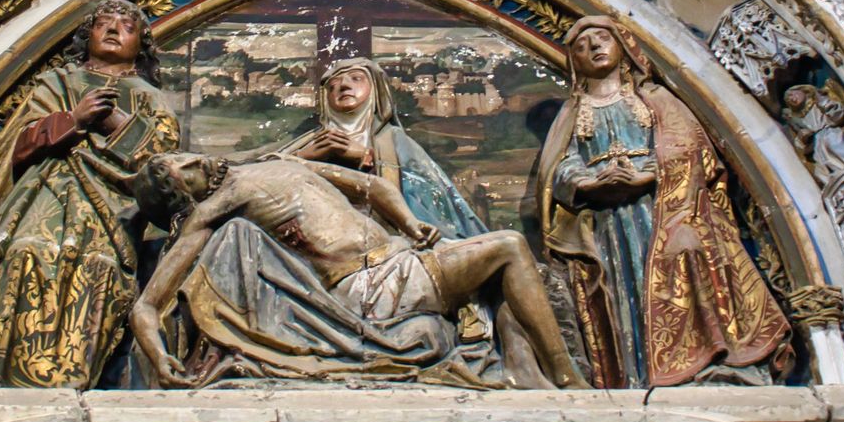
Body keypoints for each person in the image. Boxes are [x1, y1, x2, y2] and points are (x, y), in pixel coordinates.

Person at [128, 152, 587, 389]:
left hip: (401, 261)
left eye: (182, 155)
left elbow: (371, 186)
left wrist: (409, 221)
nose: (192, 162)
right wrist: (157, 355)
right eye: (180, 174)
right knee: (507, 248)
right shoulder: (211, 210)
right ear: (183, 198)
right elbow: (146, 306)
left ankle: (525, 371)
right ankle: (566, 377)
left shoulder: (277, 165)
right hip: (368, 288)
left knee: (526, 273)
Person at [0, 0, 178, 387]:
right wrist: (73, 120)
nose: (112, 30)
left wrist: (117, 124)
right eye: (103, 23)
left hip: (114, 210)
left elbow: (164, 160)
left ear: (140, 43)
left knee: (98, 269)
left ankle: (69, 378)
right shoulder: (57, 84)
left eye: (125, 26)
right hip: (45, 192)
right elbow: (16, 145)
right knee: (23, 252)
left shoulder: (150, 98)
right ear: (86, 36)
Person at [527, 15, 791, 387]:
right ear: (573, 62)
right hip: (607, 222)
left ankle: (700, 361)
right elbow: (558, 164)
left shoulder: (654, 98)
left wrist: (645, 176)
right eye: (582, 47)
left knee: (683, 262)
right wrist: (588, 183)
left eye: (603, 39)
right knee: (621, 289)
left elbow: (689, 149)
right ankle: (636, 375)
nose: (595, 48)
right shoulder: (573, 112)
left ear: (624, 47)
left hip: (666, 206)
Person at [278, 58, 485, 239]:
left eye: (356, 79)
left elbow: (428, 189)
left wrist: (367, 156)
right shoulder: (309, 142)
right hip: (321, 236)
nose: (343, 86)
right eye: (333, 85)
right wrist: (301, 159)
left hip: (385, 235)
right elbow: (259, 181)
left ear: (375, 90)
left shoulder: (393, 140)